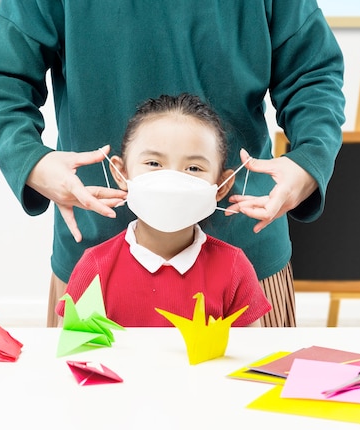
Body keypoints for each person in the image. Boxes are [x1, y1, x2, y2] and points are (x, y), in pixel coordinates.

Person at [0, 1, 345, 327]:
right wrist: (32, 162)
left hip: (243, 251)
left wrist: (308, 159)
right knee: (86, 404)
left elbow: (312, 74)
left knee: (248, 403)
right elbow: (5, 78)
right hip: (97, 260)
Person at [55, 94, 272, 327]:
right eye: (154, 163)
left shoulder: (234, 269)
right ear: (121, 174)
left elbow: (252, 356)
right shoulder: (94, 268)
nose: (172, 180)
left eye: (193, 167)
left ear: (222, 186)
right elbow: (73, 356)